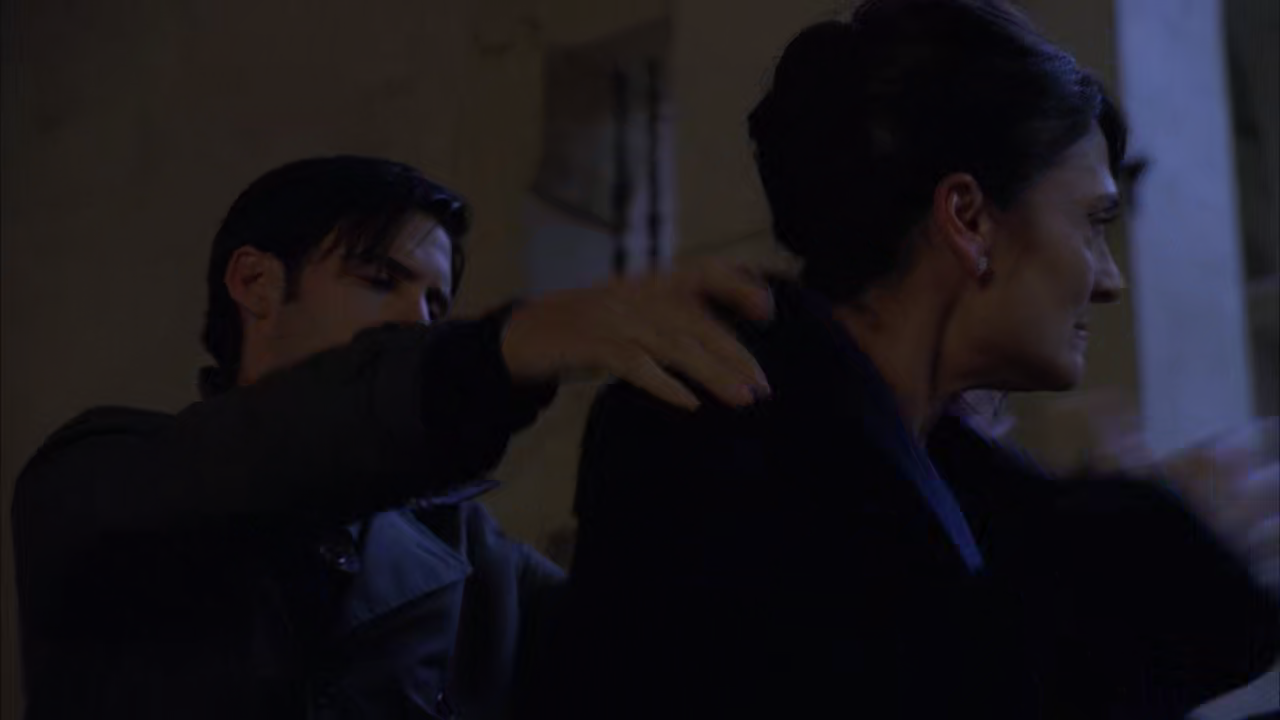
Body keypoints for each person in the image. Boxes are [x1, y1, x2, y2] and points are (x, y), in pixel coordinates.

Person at [532, 2, 1280, 719]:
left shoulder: (956, 493)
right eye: (1091, 223)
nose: (1109, 279)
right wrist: (1164, 558)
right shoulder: (712, 440)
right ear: (969, 219)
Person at [10, 155, 777, 720]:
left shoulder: (477, 563)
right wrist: (491, 355)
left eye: (438, 305)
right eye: (380, 279)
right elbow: (268, 447)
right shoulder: (102, 474)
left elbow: (655, 665)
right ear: (256, 283)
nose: (418, 319)